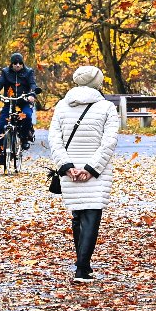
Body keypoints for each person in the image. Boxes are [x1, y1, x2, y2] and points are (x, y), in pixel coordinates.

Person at [48, 65, 121, 282]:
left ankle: (84, 265)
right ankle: (81, 269)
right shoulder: (107, 108)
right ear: (96, 83)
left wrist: (66, 166)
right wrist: (91, 169)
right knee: (91, 217)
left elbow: (54, 140)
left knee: (78, 216)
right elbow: (109, 142)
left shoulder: (62, 106)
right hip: (96, 171)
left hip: (69, 171)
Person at [0, 52, 39, 160]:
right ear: (11, 64)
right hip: (10, 102)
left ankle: (24, 138)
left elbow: (32, 84)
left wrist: (32, 95)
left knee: (27, 116)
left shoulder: (29, 72)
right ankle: (2, 153)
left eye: (20, 63)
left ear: (23, 64)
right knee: (1, 125)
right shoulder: (5, 72)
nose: (17, 65)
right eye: (15, 63)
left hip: (24, 102)